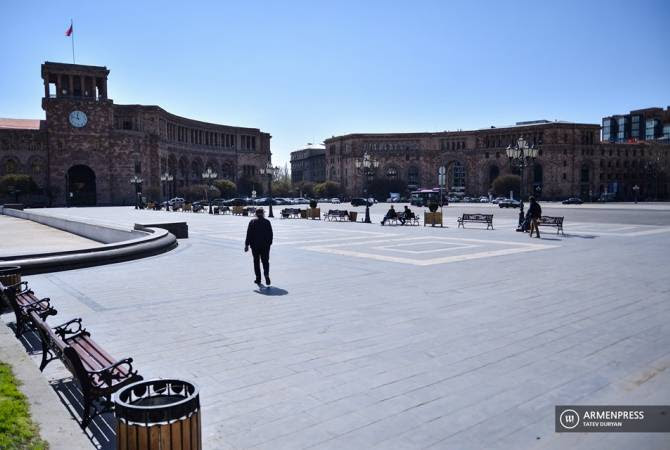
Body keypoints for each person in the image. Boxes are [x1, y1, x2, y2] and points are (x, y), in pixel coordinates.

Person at [245, 208, 273, 285]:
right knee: (265, 261)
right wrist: (269, 243)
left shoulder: (252, 222)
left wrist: (247, 244)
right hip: (265, 246)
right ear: (263, 213)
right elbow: (270, 234)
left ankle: (258, 278)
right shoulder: (267, 222)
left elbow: (249, 234)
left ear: (256, 214)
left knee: (256, 262)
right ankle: (266, 275)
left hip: (255, 246)